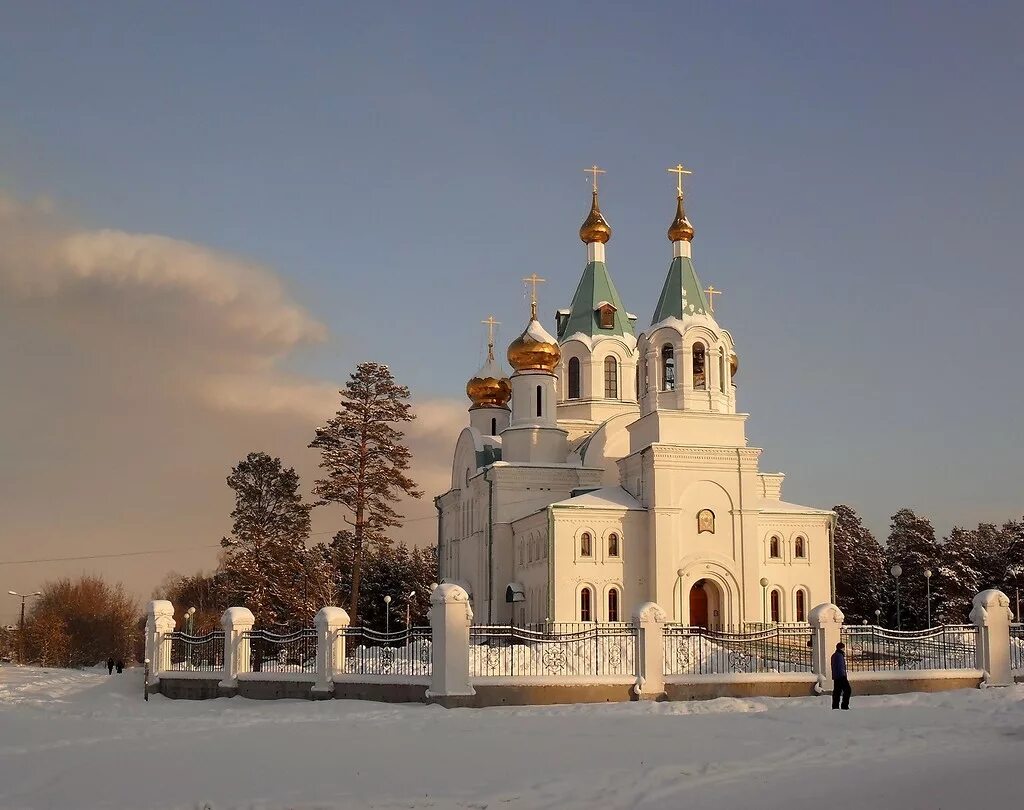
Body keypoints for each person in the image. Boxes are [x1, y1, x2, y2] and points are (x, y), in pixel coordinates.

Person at [831, 642, 851, 710]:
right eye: (843, 648)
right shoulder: (839, 655)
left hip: (836, 676)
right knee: (848, 690)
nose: (844, 649)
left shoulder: (834, 655)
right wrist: (843, 676)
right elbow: (840, 667)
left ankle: (835, 706)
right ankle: (844, 705)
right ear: (841, 648)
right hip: (841, 676)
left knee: (837, 692)